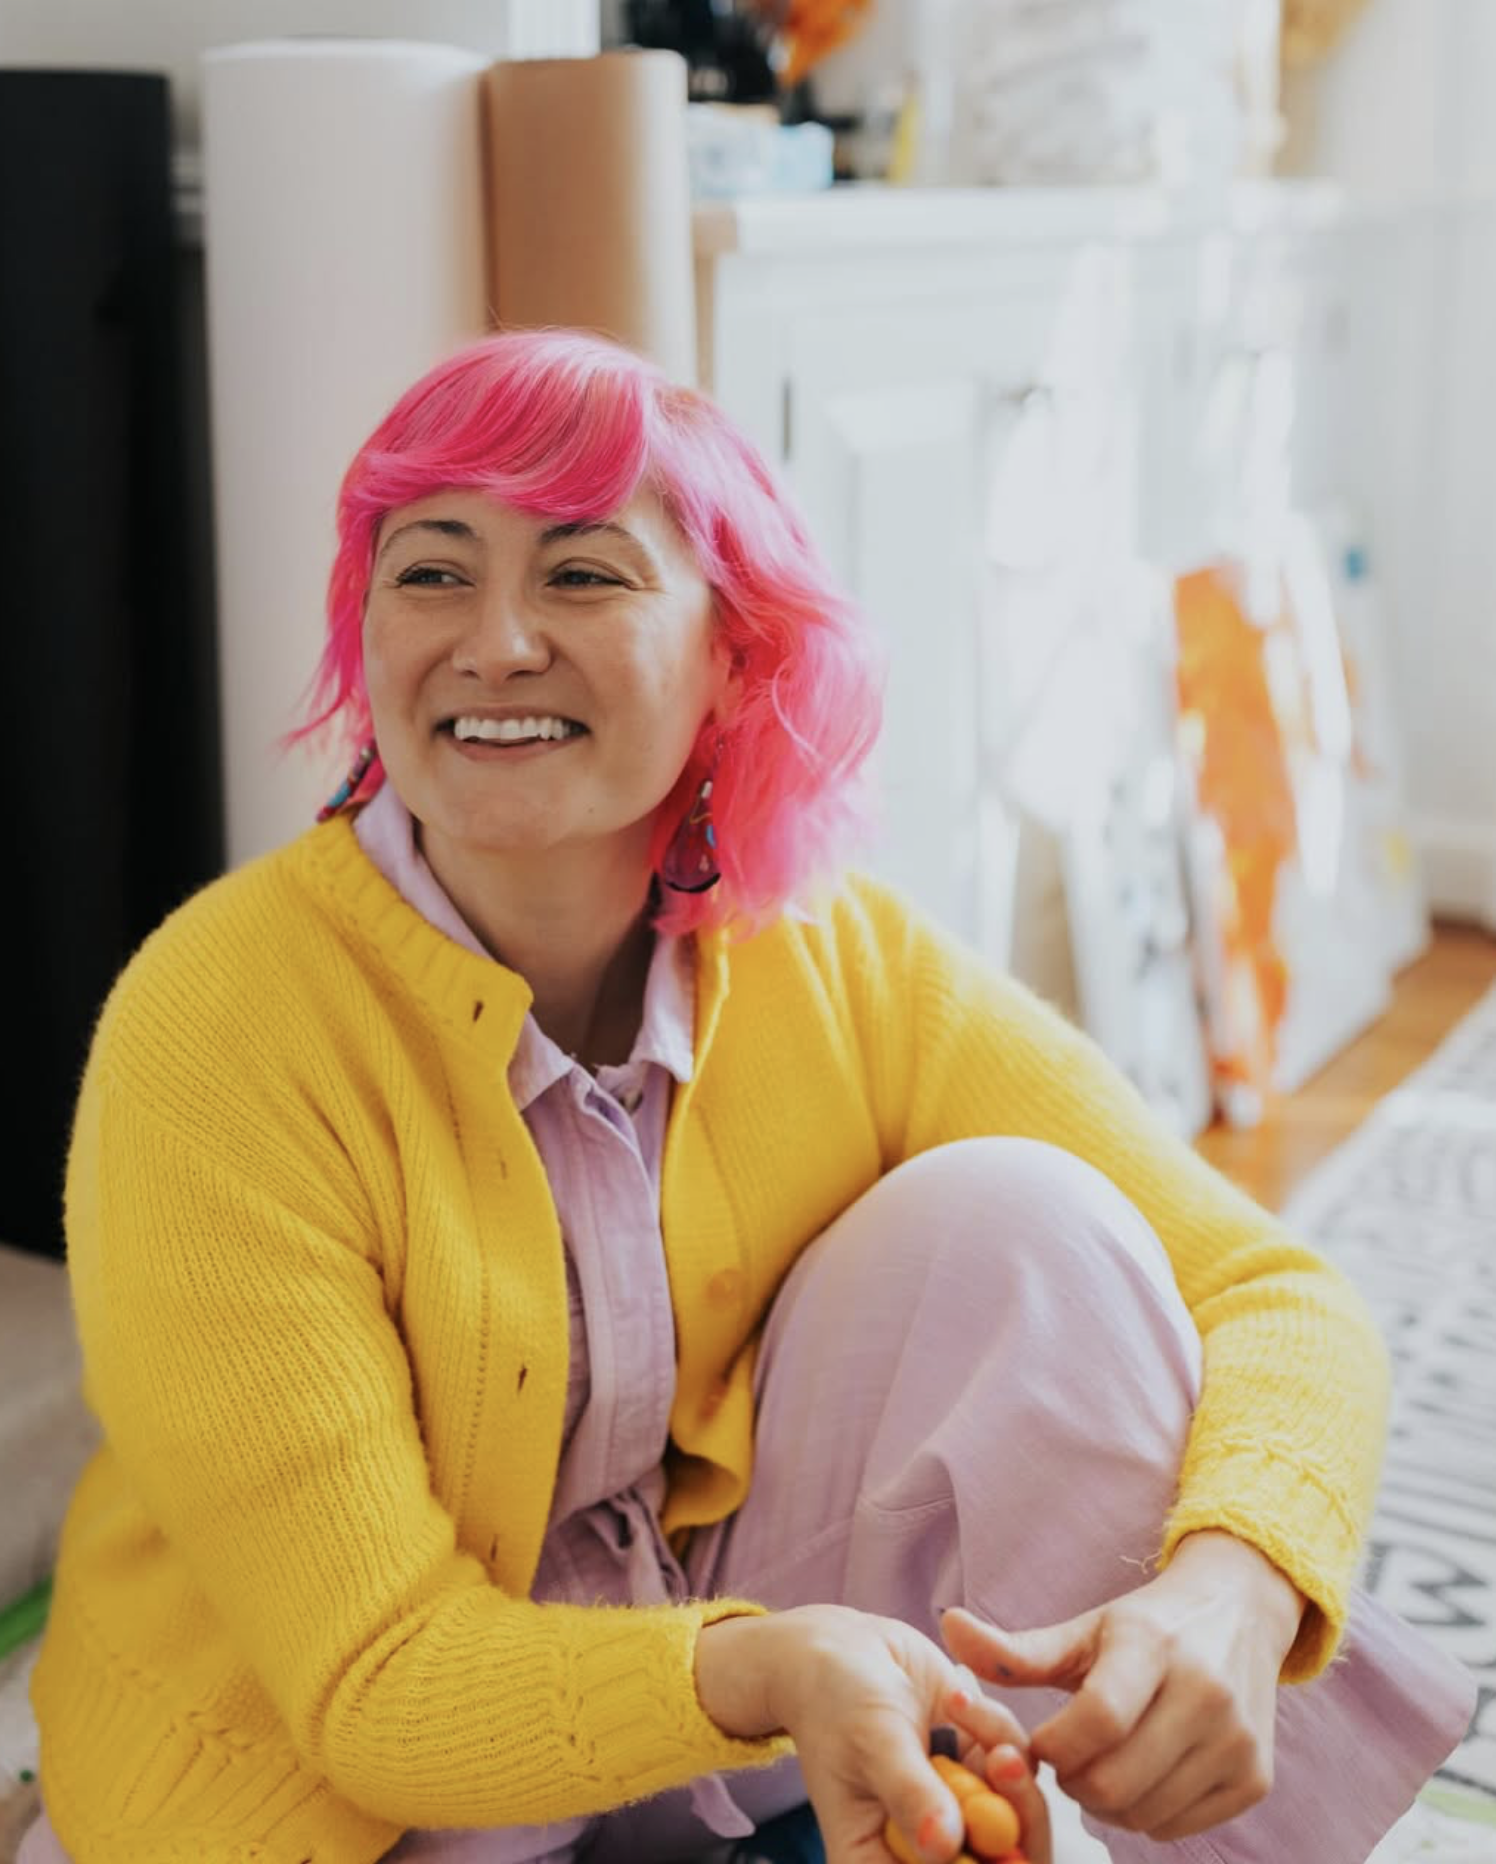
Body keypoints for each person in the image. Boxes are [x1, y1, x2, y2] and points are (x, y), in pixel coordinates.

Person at [24, 329, 1473, 1864]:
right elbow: (377, 1679)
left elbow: (1271, 1289)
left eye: (583, 575)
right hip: (352, 1797)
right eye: (430, 572)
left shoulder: (827, 954)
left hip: (727, 1694)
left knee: (1025, 1231)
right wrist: (765, 1666)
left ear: (734, 651)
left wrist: (1236, 1586)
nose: (496, 639)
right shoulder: (217, 1029)